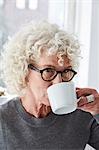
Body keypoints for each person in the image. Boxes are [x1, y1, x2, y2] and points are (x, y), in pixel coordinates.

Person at [0, 21, 99, 150]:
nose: (59, 82)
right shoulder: (3, 120)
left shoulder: (83, 115)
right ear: (23, 71)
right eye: (48, 71)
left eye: (66, 72)